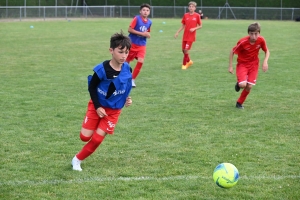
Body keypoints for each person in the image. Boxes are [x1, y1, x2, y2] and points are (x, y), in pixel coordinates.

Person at [71, 31, 133, 171]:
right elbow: (92, 88)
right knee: (84, 137)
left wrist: (127, 99)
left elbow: (126, 86)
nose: (124, 56)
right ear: (111, 50)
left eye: (126, 52)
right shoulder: (102, 69)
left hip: (113, 111)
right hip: (97, 106)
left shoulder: (128, 68)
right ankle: (94, 127)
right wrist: (98, 107)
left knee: (97, 139)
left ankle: (77, 160)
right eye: (120, 52)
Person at [228, 22, 270, 109]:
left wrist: (265, 61)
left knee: (249, 86)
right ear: (248, 33)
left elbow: (267, 51)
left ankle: (239, 103)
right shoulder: (243, 42)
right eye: (251, 34)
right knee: (243, 85)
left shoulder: (261, 40)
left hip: (254, 65)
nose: (254, 37)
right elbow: (232, 51)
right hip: (242, 64)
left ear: (259, 33)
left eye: (256, 34)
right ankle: (239, 83)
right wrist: (231, 66)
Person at [126, 3, 152, 88]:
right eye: (144, 10)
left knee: (141, 61)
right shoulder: (136, 18)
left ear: (149, 12)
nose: (145, 12)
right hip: (132, 43)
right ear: (140, 11)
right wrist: (142, 33)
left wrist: (148, 35)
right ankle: (125, 76)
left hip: (142, 45)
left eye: (147, 10)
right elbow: (130, 29)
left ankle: (132, 79)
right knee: (126, 62)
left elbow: (147, 32)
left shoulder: (149, 22)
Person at [174, 1, 202, 70]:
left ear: (195, 8)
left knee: (186, 50)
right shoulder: (185, 15)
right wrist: (177, 32)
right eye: (190, 6)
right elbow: (183, 25)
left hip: (191, 36)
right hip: (185, 35)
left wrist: (194, 28)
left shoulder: (197, 16)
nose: (191, 8)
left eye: (192, 7)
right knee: (183, 50)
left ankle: (184, 65)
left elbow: (200, 26)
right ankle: (189, 61)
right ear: (188, 7)